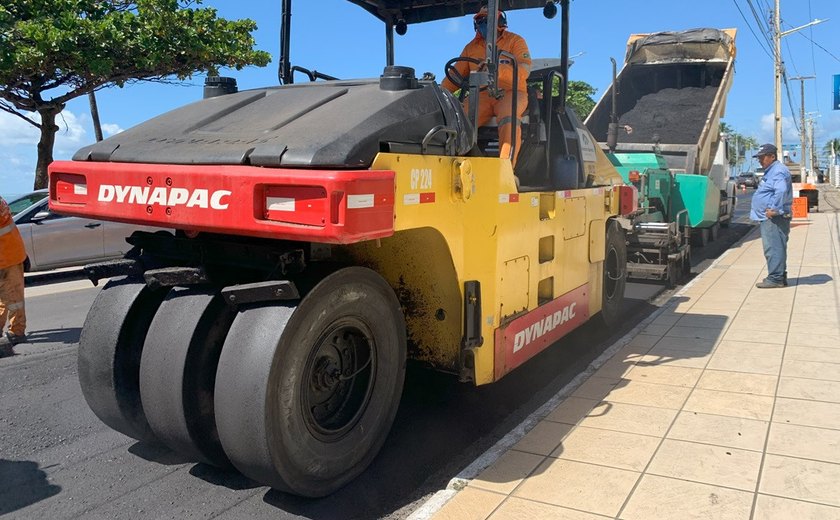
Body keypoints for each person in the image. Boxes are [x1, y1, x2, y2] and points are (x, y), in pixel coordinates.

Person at [441, 5, 531, 165]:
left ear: (499, 21)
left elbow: (524, 70)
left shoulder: (515, 41)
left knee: (508, 116)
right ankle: (459, 163)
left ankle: (506, 169)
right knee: (458, 118)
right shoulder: (471, 48)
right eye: (480, 20)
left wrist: (498, 71)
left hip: (511, 93)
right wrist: (440, 93)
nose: (483, 23)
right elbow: (455, 75)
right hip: (480, 95)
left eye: (487, 20)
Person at [750, 143, 793, 289]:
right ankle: (779, 275)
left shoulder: (777, 171)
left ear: (772, 156)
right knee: (777, 246)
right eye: (759, 158)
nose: (760, 160)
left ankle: (775, 278)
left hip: (774, 217)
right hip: (772, 217)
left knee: (773, 247)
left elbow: (780, 191)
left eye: (762, 157)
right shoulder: (773, 171)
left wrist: (774, 210)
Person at [0, 195, 27, 356]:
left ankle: (17, 331)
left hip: (8, 257)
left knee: (13, 298)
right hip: (9, 255)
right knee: (6, 297)